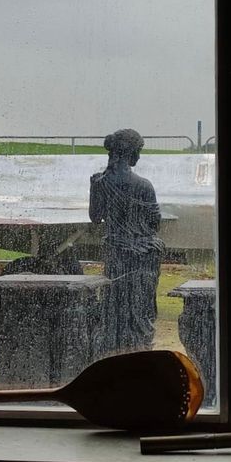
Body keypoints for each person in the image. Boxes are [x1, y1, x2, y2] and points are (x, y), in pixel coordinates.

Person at [89, 128, 164, 354]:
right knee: (141, 311)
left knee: (115, 307)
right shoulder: (144, 185)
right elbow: (154, 222)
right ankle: (139, 352)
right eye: (139, 151)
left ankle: (116, 350)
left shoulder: (99, 183)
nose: (139, 157)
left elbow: (95, 217)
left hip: (117, 255)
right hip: (143, 258)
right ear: (130, 152)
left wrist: (95, 188)